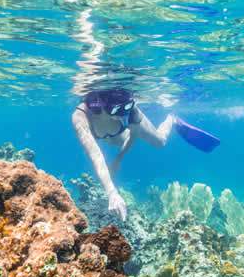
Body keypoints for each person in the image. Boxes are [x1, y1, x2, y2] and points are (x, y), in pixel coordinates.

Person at [72, 88, 176, 221]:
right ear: (101, 106)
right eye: (116, 110)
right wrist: (112, 192)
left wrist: (118, 159)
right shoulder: (81, 116)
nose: (122, 115)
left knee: (160, 142)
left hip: (123, 134)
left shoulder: (130, 111)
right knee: (112, 141)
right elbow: (95, 154)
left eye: (126, 108)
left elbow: (134, 134)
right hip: (111, 136)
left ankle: (172, 118)